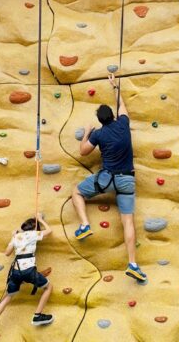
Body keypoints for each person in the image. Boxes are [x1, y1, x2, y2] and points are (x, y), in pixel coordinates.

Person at [72, 73, 147, 282]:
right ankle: (133, 264)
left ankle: (85, 225)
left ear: (100, 121)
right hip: (127, 181)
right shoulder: (123, 124)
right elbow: (121, 104)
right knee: (128, 222)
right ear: (113, 116)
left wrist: (87, 132)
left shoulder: (99, 134)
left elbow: (83, 152)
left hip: (106, 179)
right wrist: (114, 86)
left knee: (76, 192)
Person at [0, 213, 54, 336]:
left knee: (7, 296)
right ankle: (37, 316)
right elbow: (49, 231)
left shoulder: (17, 236)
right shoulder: (33, 234)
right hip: (29, 271)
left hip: (16, 271)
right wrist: (40, 220)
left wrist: (13, 237)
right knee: (48, 287)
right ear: (35, 228)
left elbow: (7, 253)